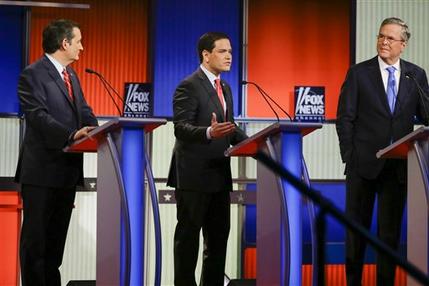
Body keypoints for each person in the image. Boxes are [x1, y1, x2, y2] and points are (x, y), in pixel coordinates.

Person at [336, 17, 429, 286]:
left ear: (403, 44)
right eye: (381, 36)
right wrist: (349, 157)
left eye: (390, 38)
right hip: (362, 166)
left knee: (389, 237)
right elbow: (345, 118)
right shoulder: (358, 73)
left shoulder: (415, 75)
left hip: (398, 168)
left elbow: (424, 114)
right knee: (356, 234)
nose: (384, 42)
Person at [15, 19, 98, 286]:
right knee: (36, 245)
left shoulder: (71, 75)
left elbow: (83, 110)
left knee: (55, 246)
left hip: (66, 172)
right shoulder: (33, 74)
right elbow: (38, 117)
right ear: (64, 43)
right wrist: (70, 135)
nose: (81, 48)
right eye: (78, 42)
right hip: (41, 172)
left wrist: (98, 131)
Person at [167, 32, 248, 286]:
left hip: (219, 175)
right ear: (206, 54)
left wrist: (258, 145)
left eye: (231, 52)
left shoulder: (225, 87)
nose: (229, 56)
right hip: (192, 176)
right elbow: (180, 128)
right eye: (223, 51)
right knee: (188, 242)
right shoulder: (188, 85)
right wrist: (208, 132)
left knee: (218, 240)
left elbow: (230, 127)